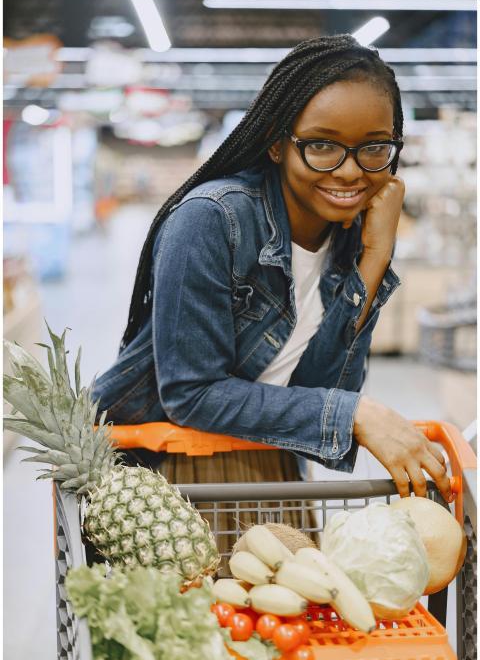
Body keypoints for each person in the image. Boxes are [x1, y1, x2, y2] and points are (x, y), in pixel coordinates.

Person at [93, 34, 453, 505]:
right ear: (277, 143)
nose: (350, 172)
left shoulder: (349, 235)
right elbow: (191, 394)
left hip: (275, 468)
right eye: (322, 145)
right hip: (170, 479)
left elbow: (322, 388)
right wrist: (355, 415)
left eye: (374, 147)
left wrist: (375, 256)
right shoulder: (211, 221)